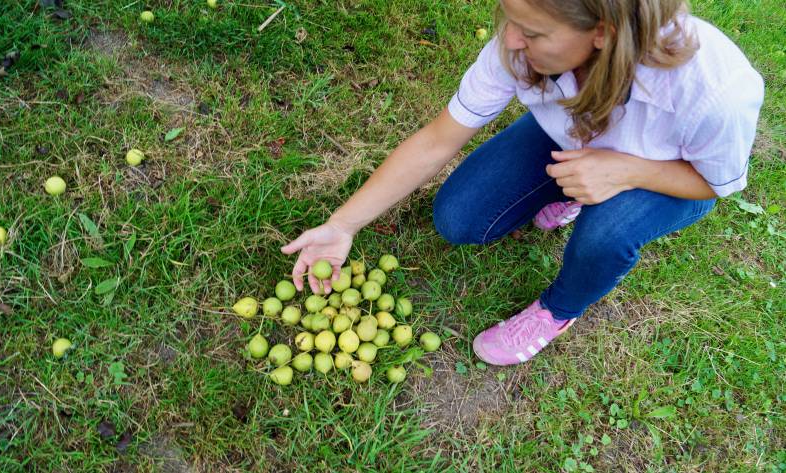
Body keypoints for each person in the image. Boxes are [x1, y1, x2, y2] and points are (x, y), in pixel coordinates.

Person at [281, 0, 764, 366]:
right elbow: (437, 140)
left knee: (606, 234)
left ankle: (559, 309)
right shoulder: (519, 46)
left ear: (603, 32)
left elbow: (716, 183)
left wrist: (624, 171)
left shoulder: (714, 91)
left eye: (531, 31)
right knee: (459, 217)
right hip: (570, 141)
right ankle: (574, 186)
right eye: (508, 18)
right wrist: (343, 224)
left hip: (671, 177)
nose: (510, 40)